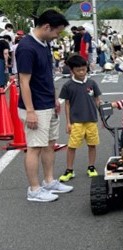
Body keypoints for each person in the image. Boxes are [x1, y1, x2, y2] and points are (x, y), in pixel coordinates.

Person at [16, 9, 73, 202]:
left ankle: (49, 181)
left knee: (49, 145)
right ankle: (34, 189)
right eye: (57, 32)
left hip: (48, 102)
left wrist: (54, 98)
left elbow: (46, 75)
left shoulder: (44, 44)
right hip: (35, 107)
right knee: (35, 147)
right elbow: (24, 81)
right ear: (47, 27)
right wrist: (30, 111)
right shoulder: (26, 47)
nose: (57, 36)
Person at [58, 55, 102, 182]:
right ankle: (69, 170)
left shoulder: (92, 83)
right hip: (76, 121)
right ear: (72, 71)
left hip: (91, 120)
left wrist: (103, 117)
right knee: (72, 146)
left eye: (84, 69)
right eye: (78, 70)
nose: (82, 72)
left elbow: (97, 100)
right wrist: (68, 122)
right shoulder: (68, 85)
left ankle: (91, 167)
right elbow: (67, 104)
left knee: (92, 144)